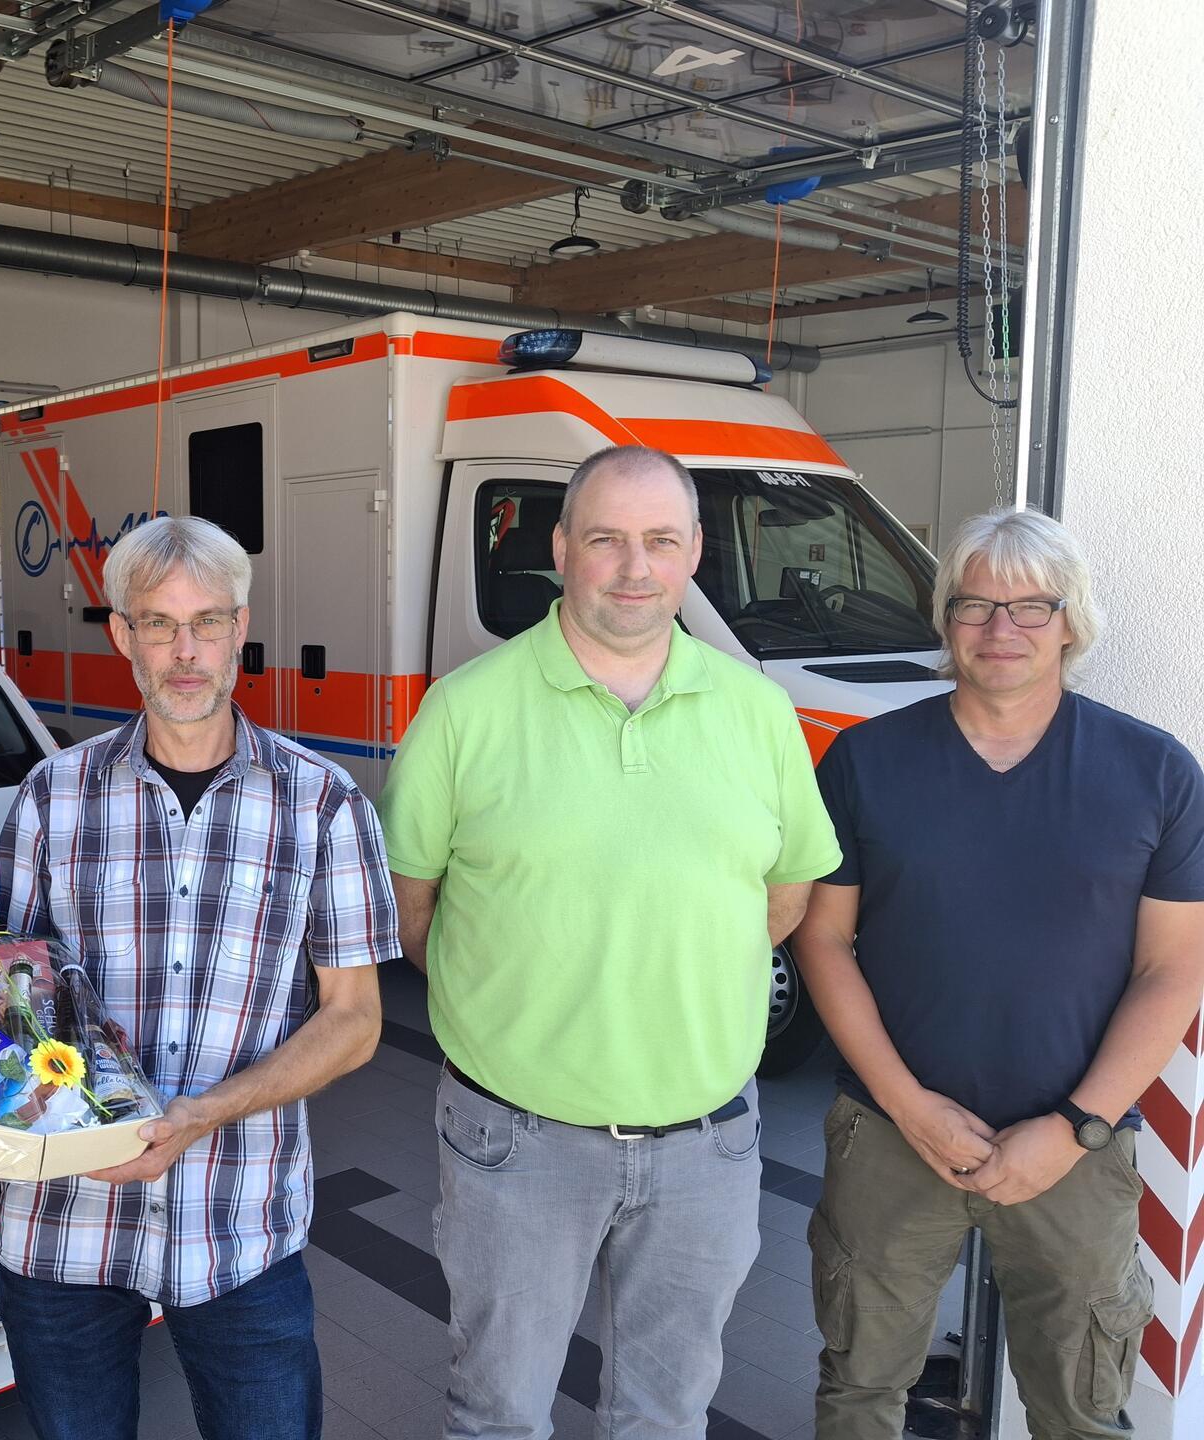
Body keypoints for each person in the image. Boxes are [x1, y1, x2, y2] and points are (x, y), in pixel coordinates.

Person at [378, 445, 842, 1440]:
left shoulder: (759, 713)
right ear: (560, 549)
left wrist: (678, 967)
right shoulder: (464, 711)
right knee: (497, 1412)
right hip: (516, 1140)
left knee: (666, 1418)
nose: (635, 568)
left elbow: (787, 890)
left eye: (660, 542)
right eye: (607, 540)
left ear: (694, 554)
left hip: (707, 1147)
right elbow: (413, 912)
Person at [0, 515, 394, 1440]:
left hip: (241, 1226)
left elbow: (354, 1020)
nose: (185, 654)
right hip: (63, 1229)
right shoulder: (52, 797)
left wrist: (199, 1114)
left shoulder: (323, 804)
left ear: (241, 628)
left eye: (208, 623)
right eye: (157, 623)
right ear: (120, 633)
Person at [791, 507, 1204, 1439]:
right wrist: (908, 1104)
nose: (1001, 629)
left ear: (1072, 623)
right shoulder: (867, 761)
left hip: (1076, 1151)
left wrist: (1075, 1125)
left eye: (1031, 607)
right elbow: (823, 941)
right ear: (944, 622)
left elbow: (1174, 970)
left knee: (1082, 1409)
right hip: (890, 1136)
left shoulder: (1156, 773)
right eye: (974, 605)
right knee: (858, 1394)